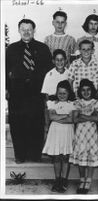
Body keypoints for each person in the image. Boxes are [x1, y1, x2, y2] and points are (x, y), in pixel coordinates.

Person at [6, 18, 53, 163]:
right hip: (17, 93)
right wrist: (6, 88)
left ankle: (34, 154)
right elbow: (5, 70)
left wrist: (47, 91)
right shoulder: (11, 49)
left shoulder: (43, 48)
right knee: (17, 123)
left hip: (36, 92)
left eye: (29, 29)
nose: (26, 32)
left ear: (34, 31)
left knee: (36, 123)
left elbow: (49, 71)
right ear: (19, 30)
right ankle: (20, 155)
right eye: (23, 29)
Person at [42, 80, 75, 193]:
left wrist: (58, 117)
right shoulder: (52, 104)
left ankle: (64, 179)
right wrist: (65, 116)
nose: (61, 95)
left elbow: (72, 119)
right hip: (55, 132)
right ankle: (57, 179)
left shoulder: (72, 104)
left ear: (68, 93)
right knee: (56, 157)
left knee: (65, 157)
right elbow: (51, 116)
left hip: (67, 133)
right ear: (56, 93)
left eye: (64, 93)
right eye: (59, 93)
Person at [69, 79, 98, 194]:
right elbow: (75, 119)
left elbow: (96, 118)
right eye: (83, 90)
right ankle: (82, 180)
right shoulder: (77, 103)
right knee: (81, 156)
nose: (86, 92)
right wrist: (89, 116)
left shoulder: (95, 102)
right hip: (81, 134)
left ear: (92, 90)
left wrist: (83, 115)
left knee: (91, 156)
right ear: (80, 91)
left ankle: (88, 181)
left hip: (92, 134)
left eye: (88, 90)